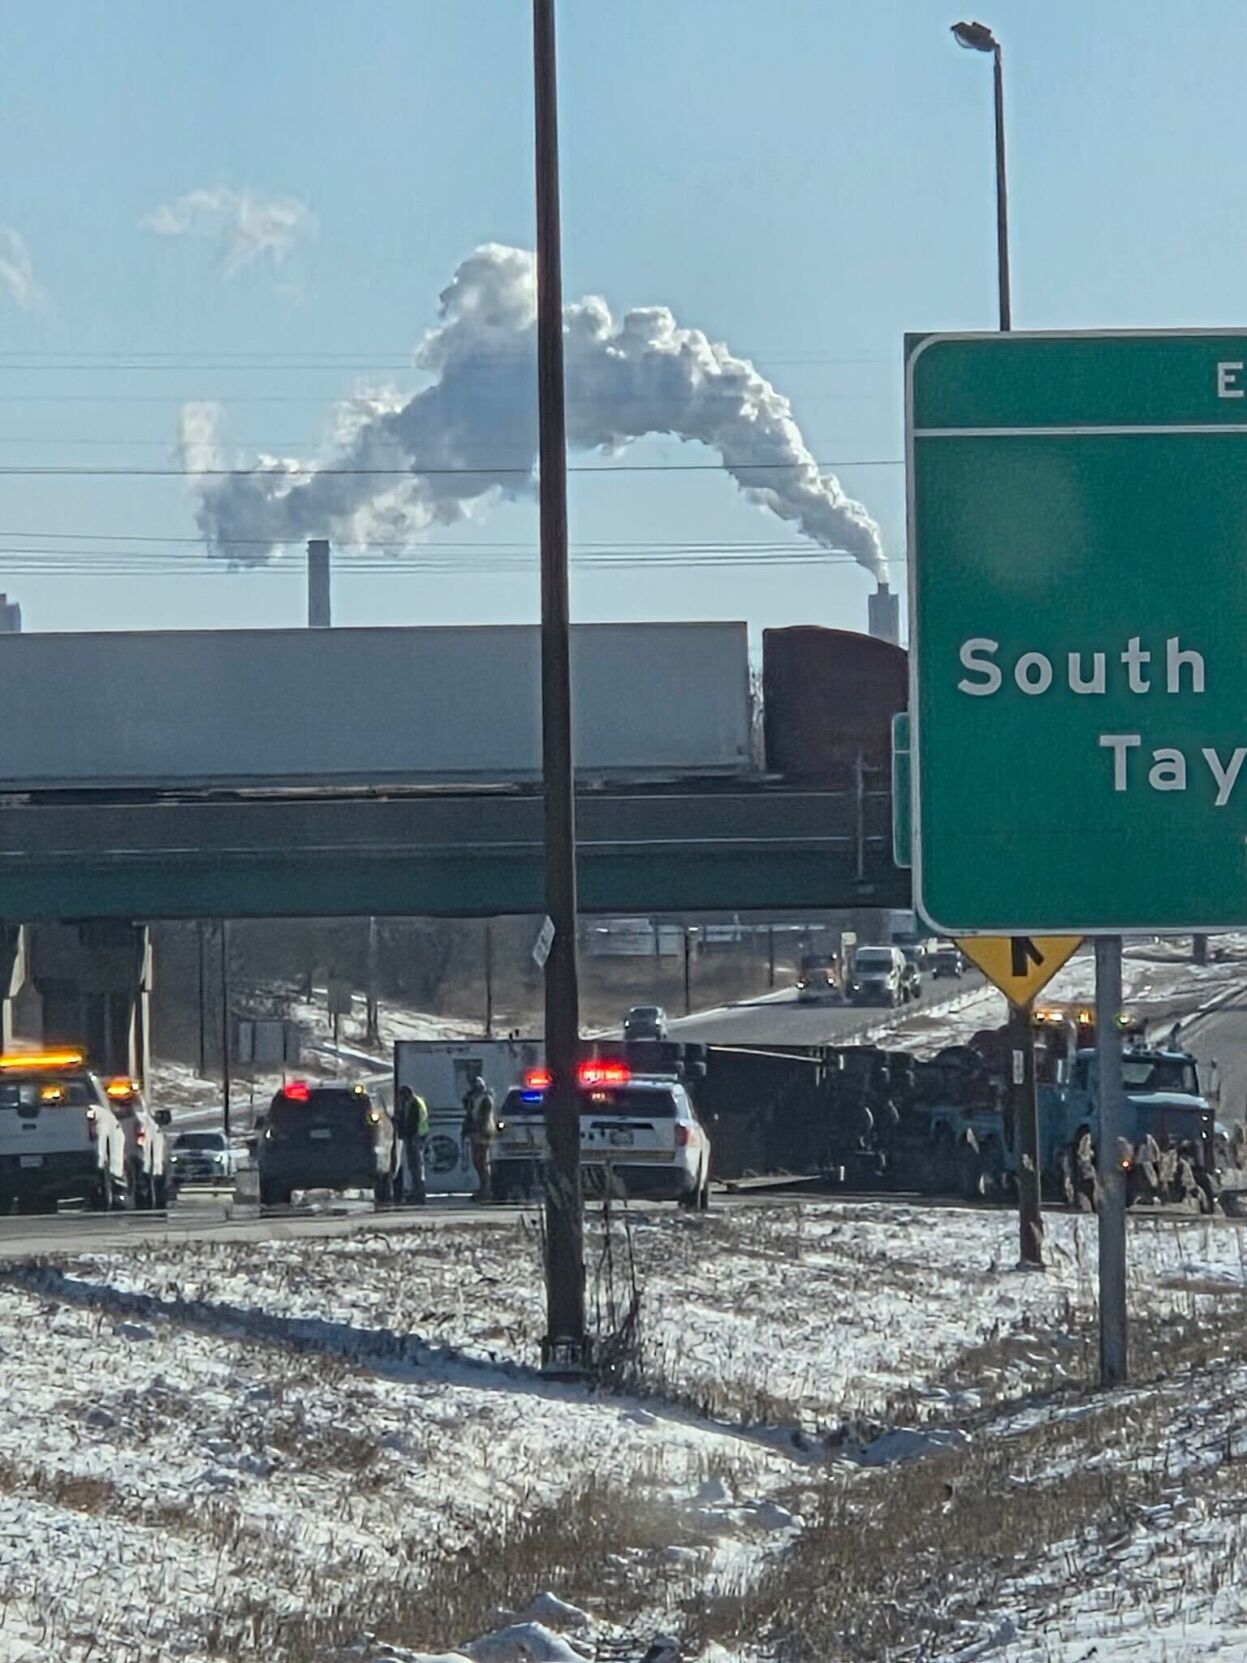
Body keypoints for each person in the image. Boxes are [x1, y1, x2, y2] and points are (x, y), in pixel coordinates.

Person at [461, 1074, 498, 1201]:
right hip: (476, 1132)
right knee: (477, 1162)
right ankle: (483, 1188)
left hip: (483, 1132)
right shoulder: (474, 1099)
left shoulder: (486, 1099)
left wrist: (478, 1130)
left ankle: (486, 1189)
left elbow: (484, 1118)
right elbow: (466, 1106)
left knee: (481, 1162)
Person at [397, 1084, 429, 1204]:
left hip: (415, 1137)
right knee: (414, 1166)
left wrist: (404, 1131)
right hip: (416, 1136)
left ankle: (419, 1193)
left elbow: (412, 1122)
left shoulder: (414, 1104)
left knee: (416, 1167)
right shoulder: (416, 1101)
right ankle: (416, 1191)